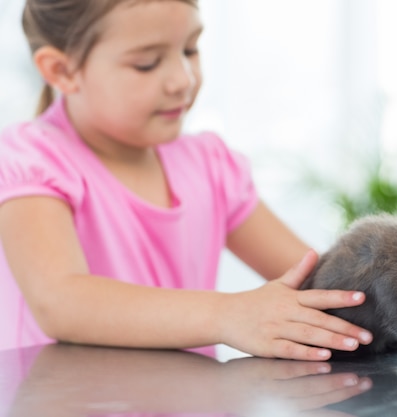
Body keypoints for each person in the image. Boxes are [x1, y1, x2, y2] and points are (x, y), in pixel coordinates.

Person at [0, 0, 373, 360]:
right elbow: (62, 303)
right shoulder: (31, 160)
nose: (183, 79)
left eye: (191, 49)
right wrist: (228, 314)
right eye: (146, 64)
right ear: (61, 71)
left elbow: (319, 281)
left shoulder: (209, 165)